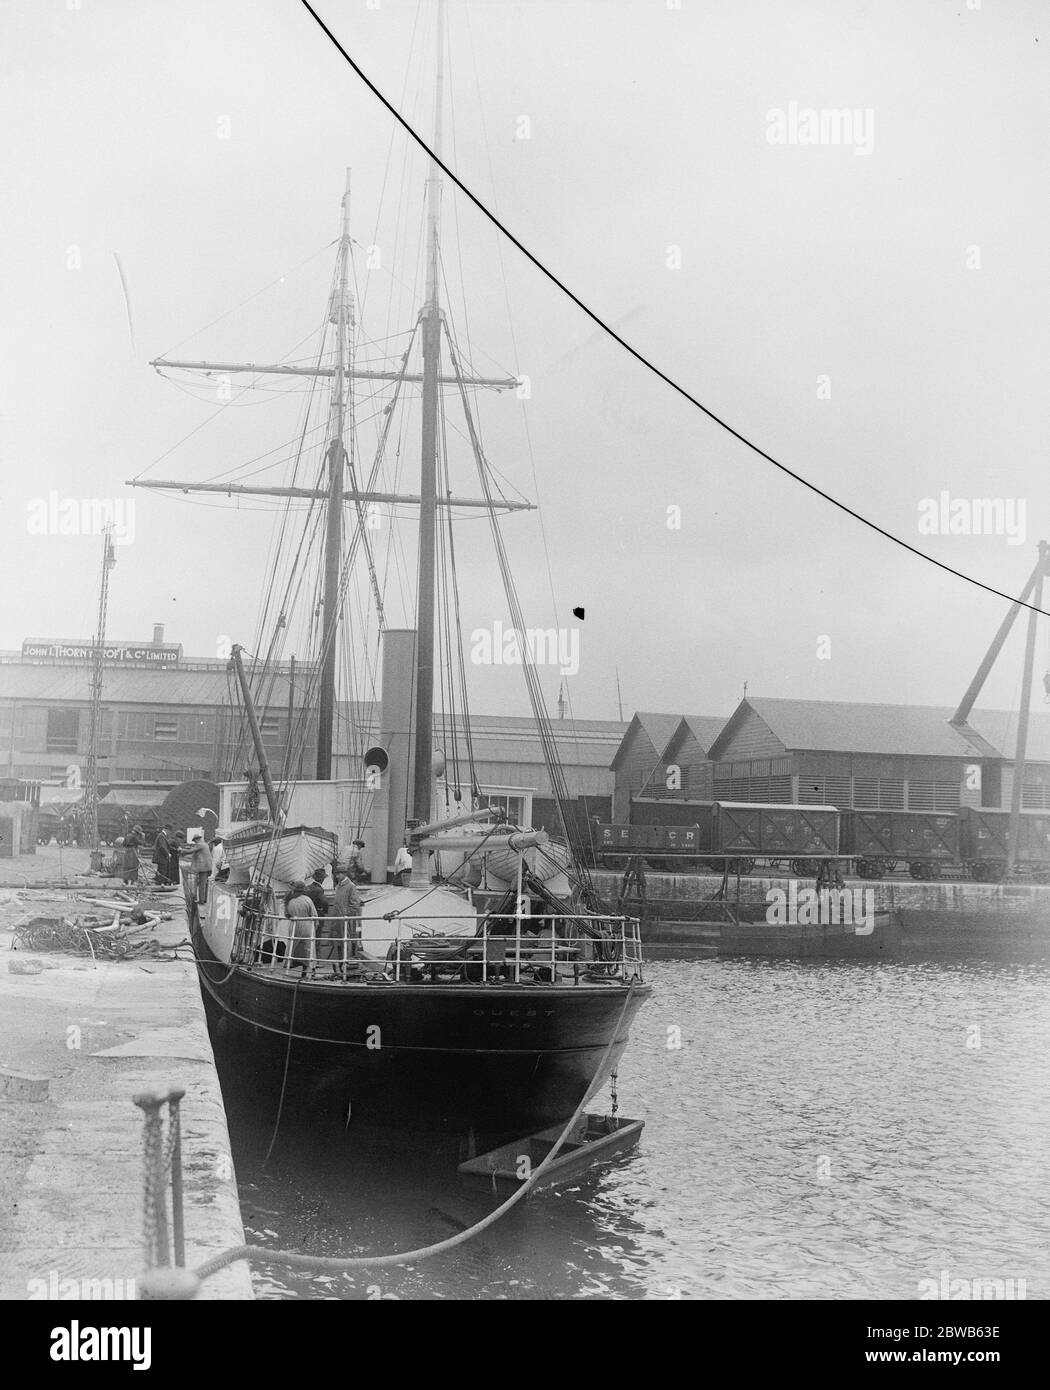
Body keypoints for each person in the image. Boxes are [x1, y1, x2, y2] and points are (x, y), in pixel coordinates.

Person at [322, 869, 363, 977]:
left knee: (346, 942)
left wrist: (346, 915)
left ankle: (345, 964)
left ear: (344, 874)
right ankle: (341, 964)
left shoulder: (350, 886)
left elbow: (355, 904)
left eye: (338, 874)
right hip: (337, 920)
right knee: (338, 942)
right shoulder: (339, 886)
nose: (336, 876)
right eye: (336, 874)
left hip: (345, 920)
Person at [283, 881, 317, 976]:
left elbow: (286, 914)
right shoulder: (307, 900)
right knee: (308, 948)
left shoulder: (289, 901)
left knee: (294, 946)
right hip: (307, 925)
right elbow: (314, 914)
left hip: (294, 925)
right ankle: (308, 968)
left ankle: (289, 964)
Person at [189, 834, 213, 905]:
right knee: (205, 884)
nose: (195, 843)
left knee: (202, 885)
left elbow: (190, 851)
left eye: (195, 841)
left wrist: (181, 850)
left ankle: (201, 901)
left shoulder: (199, 844)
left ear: (197, 839)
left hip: (203, 868)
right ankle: (205, 899)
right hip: (208, 867)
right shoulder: (205, 844)